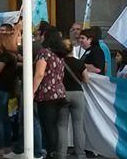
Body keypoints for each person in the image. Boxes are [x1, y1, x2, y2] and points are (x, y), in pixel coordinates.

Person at [34, 28, 67, 158]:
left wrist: (32, 91)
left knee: (47, 127)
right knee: (55, 126)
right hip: (59, 93)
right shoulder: (59, 55)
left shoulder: (44, 53)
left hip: (47, 94)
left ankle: (51, 153)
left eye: (41, 35)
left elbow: (40, 73)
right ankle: (56, 153)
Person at [0, 24, 19, 155]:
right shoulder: (12, 55)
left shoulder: (4, 56)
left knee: (0, 117)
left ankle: (2, 145)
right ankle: (7, 144)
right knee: (5, 117)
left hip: (2, 88)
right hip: (7, 88)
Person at [61, 37, 88, 159]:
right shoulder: (79, 63)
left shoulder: (59, 62)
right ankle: (81, 154)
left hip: (63, 94)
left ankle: (61, 153)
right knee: (78, 124)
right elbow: (86, 80)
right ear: (72, 49)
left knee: (61, 125)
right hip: (78, 94)